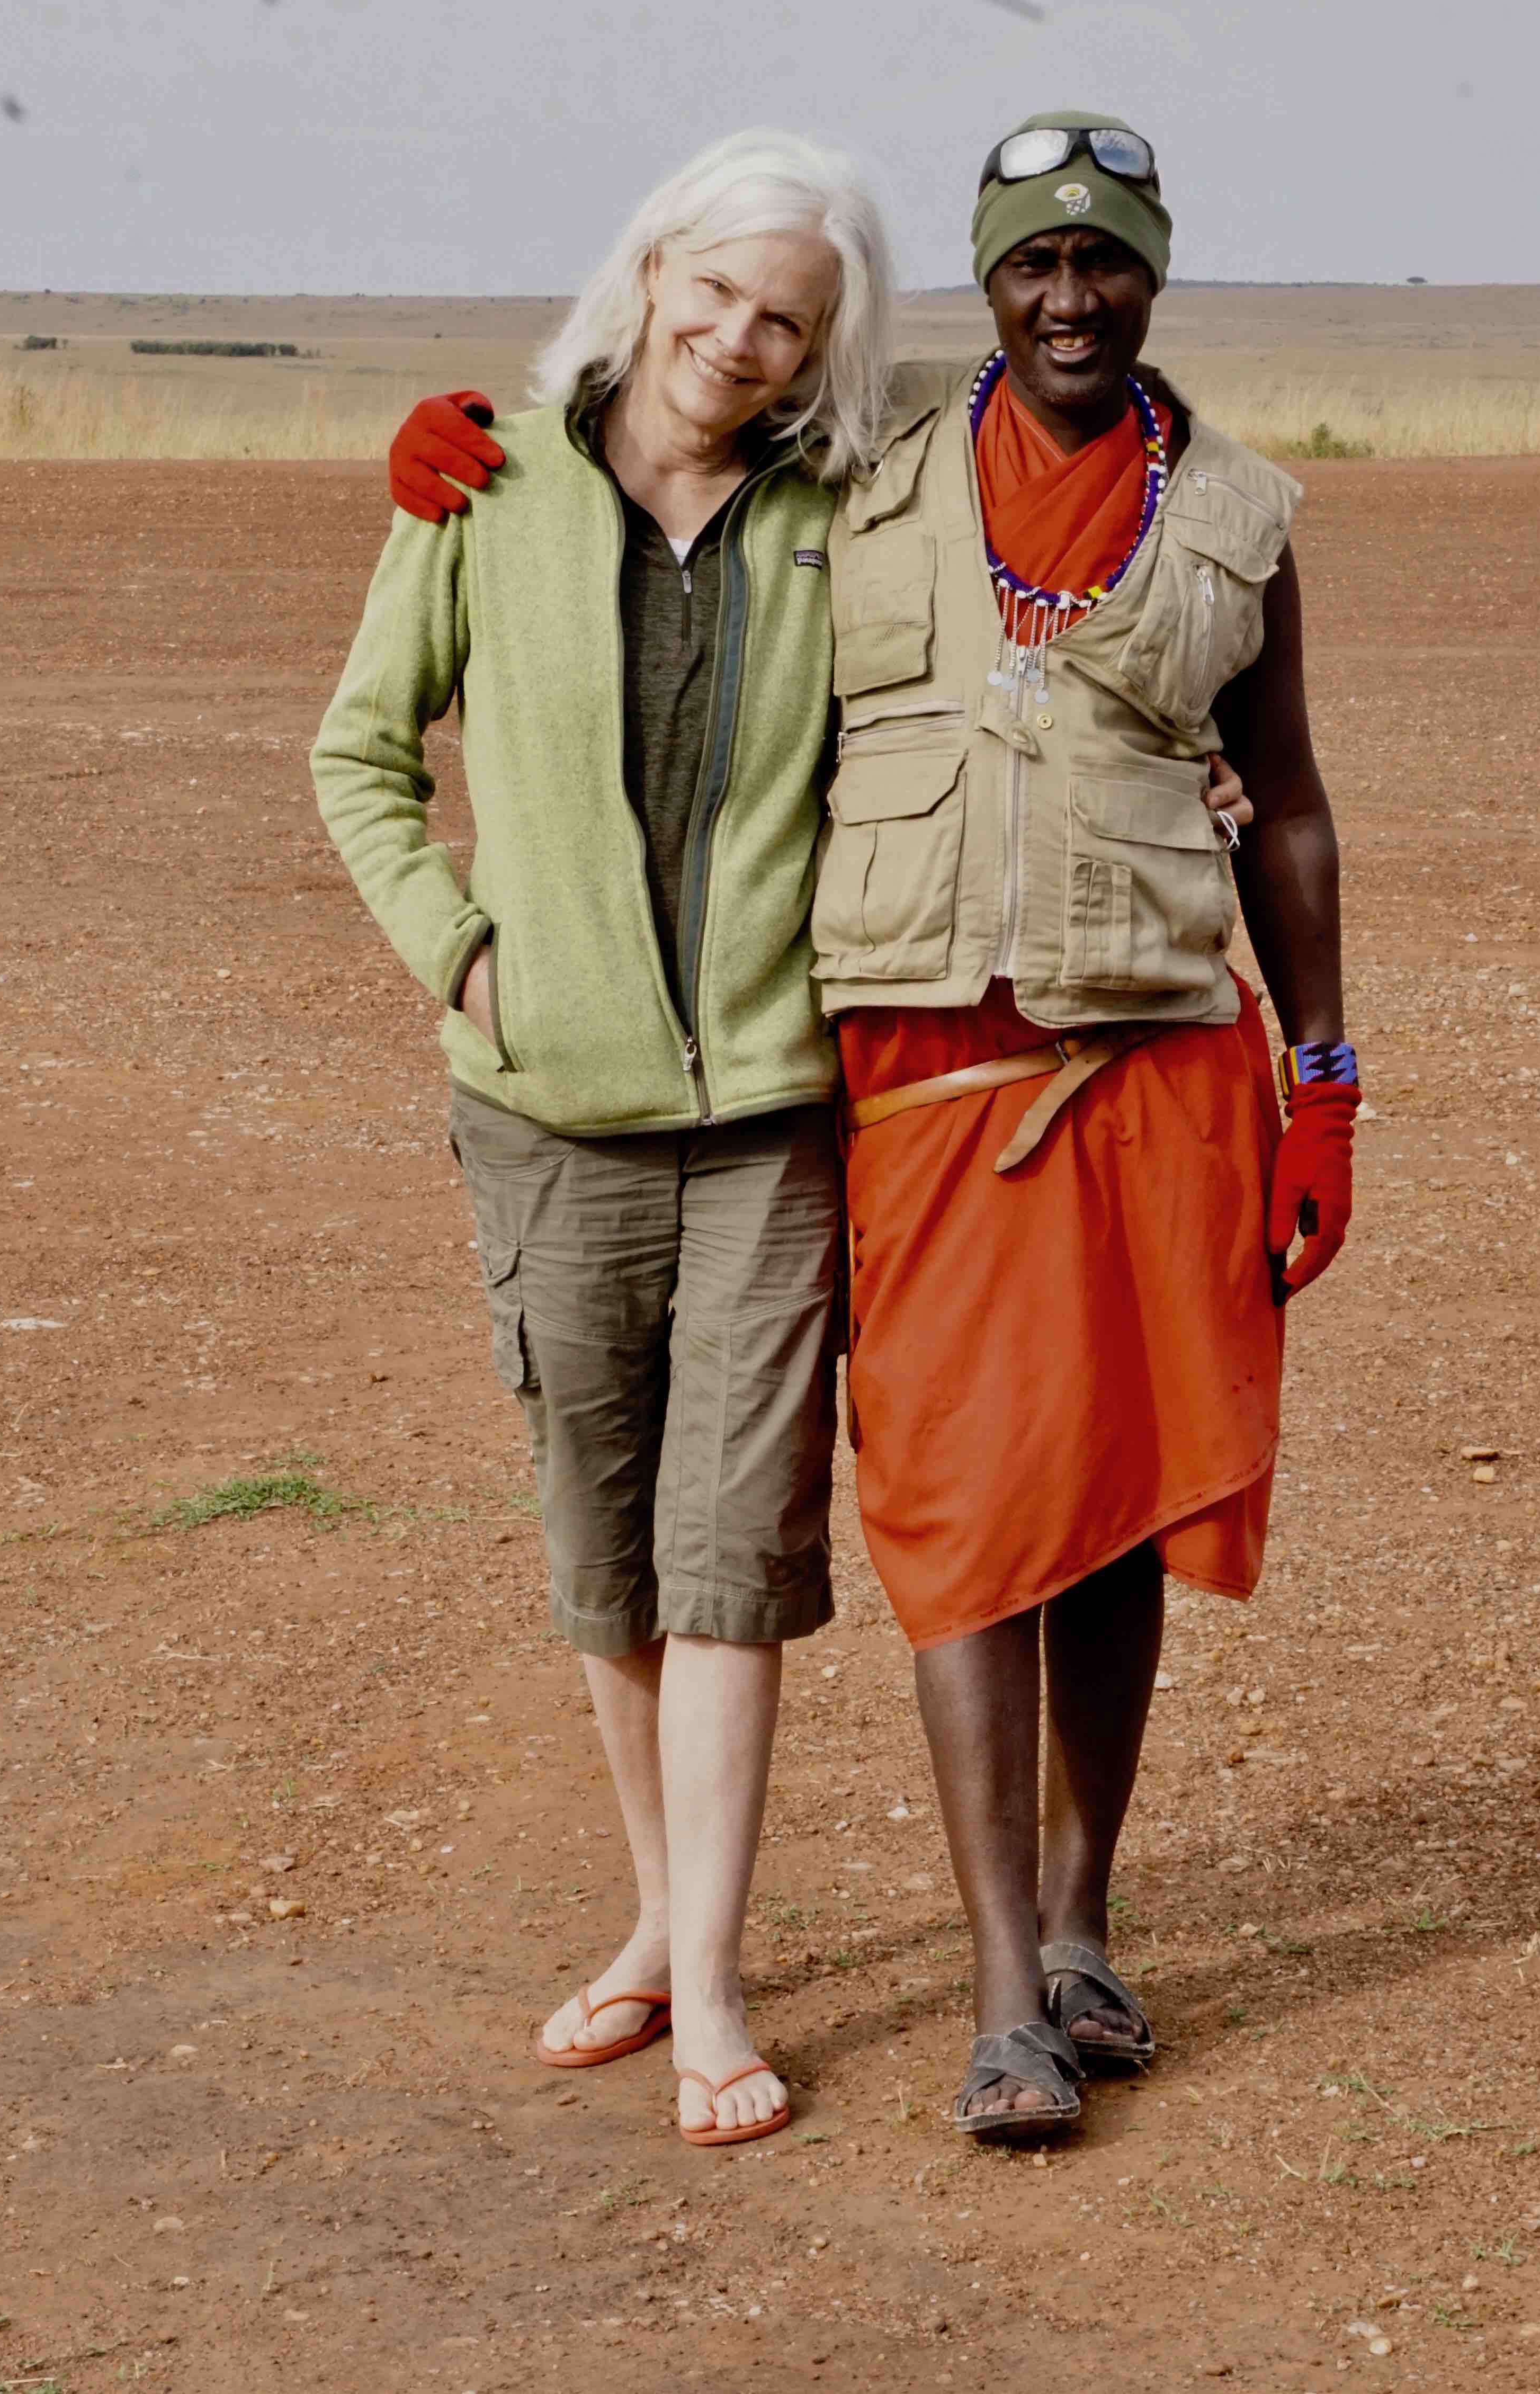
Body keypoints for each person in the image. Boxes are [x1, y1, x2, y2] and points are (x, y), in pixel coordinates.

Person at [390, 111, 1355, 2144]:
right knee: (961, 1506)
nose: (1070, 299)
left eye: (1106, 263)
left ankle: (1076, 1936)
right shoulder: (874, 450)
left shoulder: (1242, 512)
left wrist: (1327, 1077)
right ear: (986, 284)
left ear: (1154, 274)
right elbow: (661, 412)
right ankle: (998, 1987)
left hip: (1161, 1063)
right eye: (1032, 264)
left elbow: (1290, 794)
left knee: (1123, 1504)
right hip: (917, 1083)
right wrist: (462, 445)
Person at [312, 130, 899, 2148]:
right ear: (652, 269)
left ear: (822, 348)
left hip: (766, 1121)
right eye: (716, 291)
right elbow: (359, 751)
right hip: (544, 1112)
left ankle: (716, 1981)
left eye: (786, 319)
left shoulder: (847, 507)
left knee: (730, 1557)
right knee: (608, 1555)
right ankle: (653, 1923)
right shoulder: (483, 479)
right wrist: (458, 961)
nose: (738, 340)